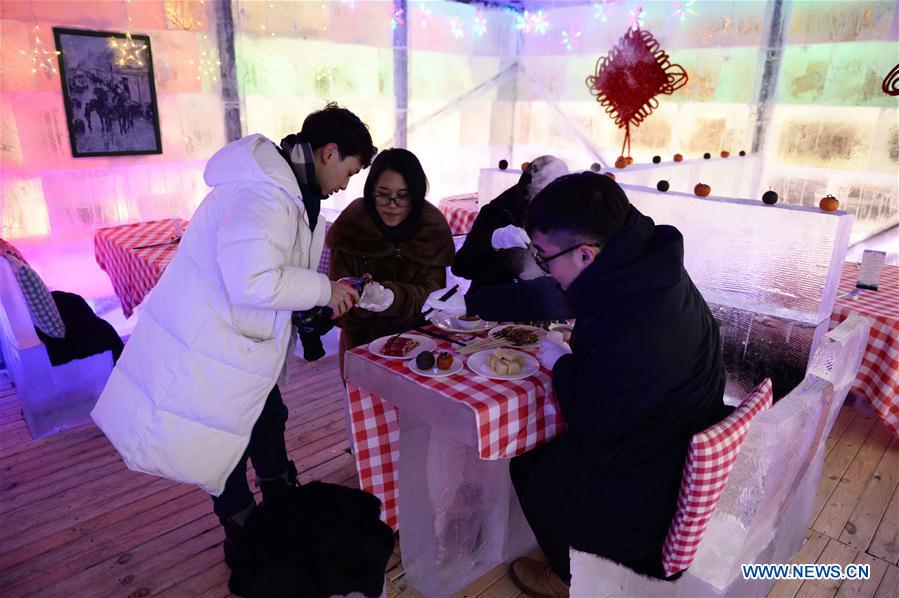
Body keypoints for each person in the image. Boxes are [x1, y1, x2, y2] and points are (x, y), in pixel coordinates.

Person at [90, 103, 376, 566]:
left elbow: (276, 274)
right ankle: (242, 530)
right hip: (215, 346)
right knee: (224, 438)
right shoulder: (266, 195)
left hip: (238, 346)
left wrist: (313, 303)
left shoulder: (293, 193)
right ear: (328, 153)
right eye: (349, 169)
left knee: (266, 418)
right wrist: (325, 289)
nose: (346, 182)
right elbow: (255, 281)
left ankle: (280, 507)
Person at [506, 172, 731, 596]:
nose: (543, 267)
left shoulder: (635, 320)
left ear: (586, 256)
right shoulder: (648, 267)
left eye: (544, 255)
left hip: (651, 480)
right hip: (670, 435)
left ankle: (575, 578)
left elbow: (593, 419)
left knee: (533, 471)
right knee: (542, 455)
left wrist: (562, 364)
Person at [326, 148, 454, 375]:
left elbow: (433, 300)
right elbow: (337, 306)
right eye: (383, 194)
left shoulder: (430, 232)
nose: (392, 205)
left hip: (419, 353)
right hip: (362, 352)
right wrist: (363, 299)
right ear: (370, 192)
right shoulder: (352, 228)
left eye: (403, 196)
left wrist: (391, 298)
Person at [431, 156, 572, 322]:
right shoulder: (498, 211)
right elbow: (461, 267)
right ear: (529, 191)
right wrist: (494, 242)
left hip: (547, 308)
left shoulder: (565, 213)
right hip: (492, 312)